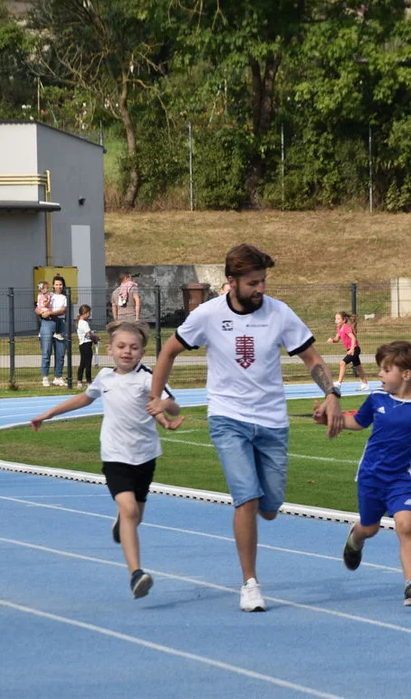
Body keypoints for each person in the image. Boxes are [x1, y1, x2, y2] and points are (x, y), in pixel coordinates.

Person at [147, 244, 344, 612]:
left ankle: (256, 518)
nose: (261, 289)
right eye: (253, 282)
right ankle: (250, 584)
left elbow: (312, 358)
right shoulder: (206, 315)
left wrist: (332, 393)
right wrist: (156, 399)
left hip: (272, 421)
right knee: (247, 498)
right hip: (227, 418)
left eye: (264, 281)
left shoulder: (280, 313)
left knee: (268, 508)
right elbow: (168, 351)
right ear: (232, 281)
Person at [30, 321, 184, 599]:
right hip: (114, 455)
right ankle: (136, 574)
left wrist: (165, 411)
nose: (127, 352)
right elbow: (82, 399)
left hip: (145, 455)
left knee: (136, 516)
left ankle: (122, 524)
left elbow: (172, 404)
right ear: (111, 349)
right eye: (122, 347)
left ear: (142, 351)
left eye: (134, 348)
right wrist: (49, 413)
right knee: (128, 511)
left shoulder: (149, 377)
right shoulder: (104, 378)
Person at [315, 340, 411, 607]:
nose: (379, 374)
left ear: (406, 374)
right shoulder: (377, 398)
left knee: (406, 525)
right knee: (371, 528)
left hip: (402, 477)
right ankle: (355, 539)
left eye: (386, 370)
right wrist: (333, 418)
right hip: (371, 475)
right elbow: (358, 421)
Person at [326, 311, 369, 391]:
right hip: (351, 349)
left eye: (338, 319)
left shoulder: (346, 327)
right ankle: (365, 384)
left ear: (344, 320)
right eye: (336, 319)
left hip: (355, 349)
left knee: (342, 363)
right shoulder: (339, 328)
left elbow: (353, 338)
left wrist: (352, 349)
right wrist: (332, 340)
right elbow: (337, 339)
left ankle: (339, 383)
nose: (336, 320)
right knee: (358, 367)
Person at [40, 275, 69, 387]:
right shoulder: (48, 295)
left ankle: (58, 377)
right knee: (46, 351)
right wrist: (41, 312)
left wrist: (50, 313)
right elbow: (39, 307)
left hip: (60, 323)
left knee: (60, 352)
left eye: (60, 285)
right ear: (53, 285)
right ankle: (45, 377)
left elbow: (63, 310)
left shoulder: (64, 297)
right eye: (56, 284)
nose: (58, 286)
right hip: (48, 323)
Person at [76, 304, 98, 388]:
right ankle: (89, 381)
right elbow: (89, 334)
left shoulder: (80, 322)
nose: (89, 315)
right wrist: (95, 338)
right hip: (86, 345)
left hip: (82, 345)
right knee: (87, 364)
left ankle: (80, 381)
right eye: (89, 313)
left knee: (82, 363)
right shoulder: (84, 323)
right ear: (85, 313)